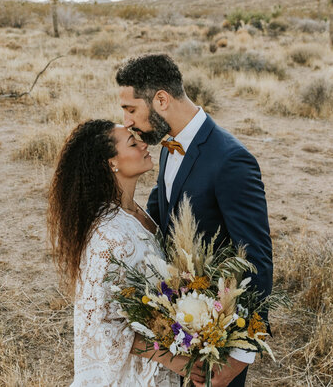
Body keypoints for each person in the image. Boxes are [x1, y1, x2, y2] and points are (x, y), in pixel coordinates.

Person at [116, 54, 273, 387]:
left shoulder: (231, 160)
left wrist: (239, 359)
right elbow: (159, 223)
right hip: (178, 330)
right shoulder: (166, 144)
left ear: (161, 99)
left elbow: (257, 259)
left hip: (219, 346)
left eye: (130, 109)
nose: (127, 121)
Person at [48, 119, 189, 386]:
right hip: (130, 375)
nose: (144, 144)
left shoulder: (133, 211)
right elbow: (102, 324)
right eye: (133, 143)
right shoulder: (108, 235)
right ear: (111, 163)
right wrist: (171, 358)